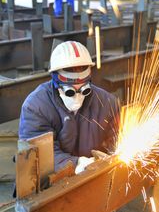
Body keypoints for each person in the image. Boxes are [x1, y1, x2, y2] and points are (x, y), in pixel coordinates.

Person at [19, 41, 120, 174]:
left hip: (94, 174)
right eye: (70, 92)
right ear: (56, 82)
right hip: (50, 181)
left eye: (84, 90)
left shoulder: (107, 102)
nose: (77, 96)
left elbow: (118, 139)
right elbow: (39, 154)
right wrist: (76, 163)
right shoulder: (36, 106)